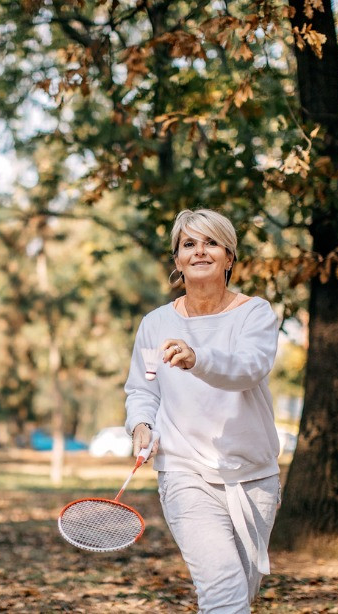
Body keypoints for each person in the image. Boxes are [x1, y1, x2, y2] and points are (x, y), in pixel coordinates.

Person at [125, 208, 281, 614]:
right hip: (184, 472)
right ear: (177, 259)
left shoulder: (255, 314)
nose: (199, 251)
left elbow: (249, 369)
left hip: (253, 477)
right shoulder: (155, 324)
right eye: (188, 244)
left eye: (211, 242)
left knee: (238, 595)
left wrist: (198, 358)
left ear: (229, 257)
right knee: (224, 591)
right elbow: (143, 387)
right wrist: (140, 423)